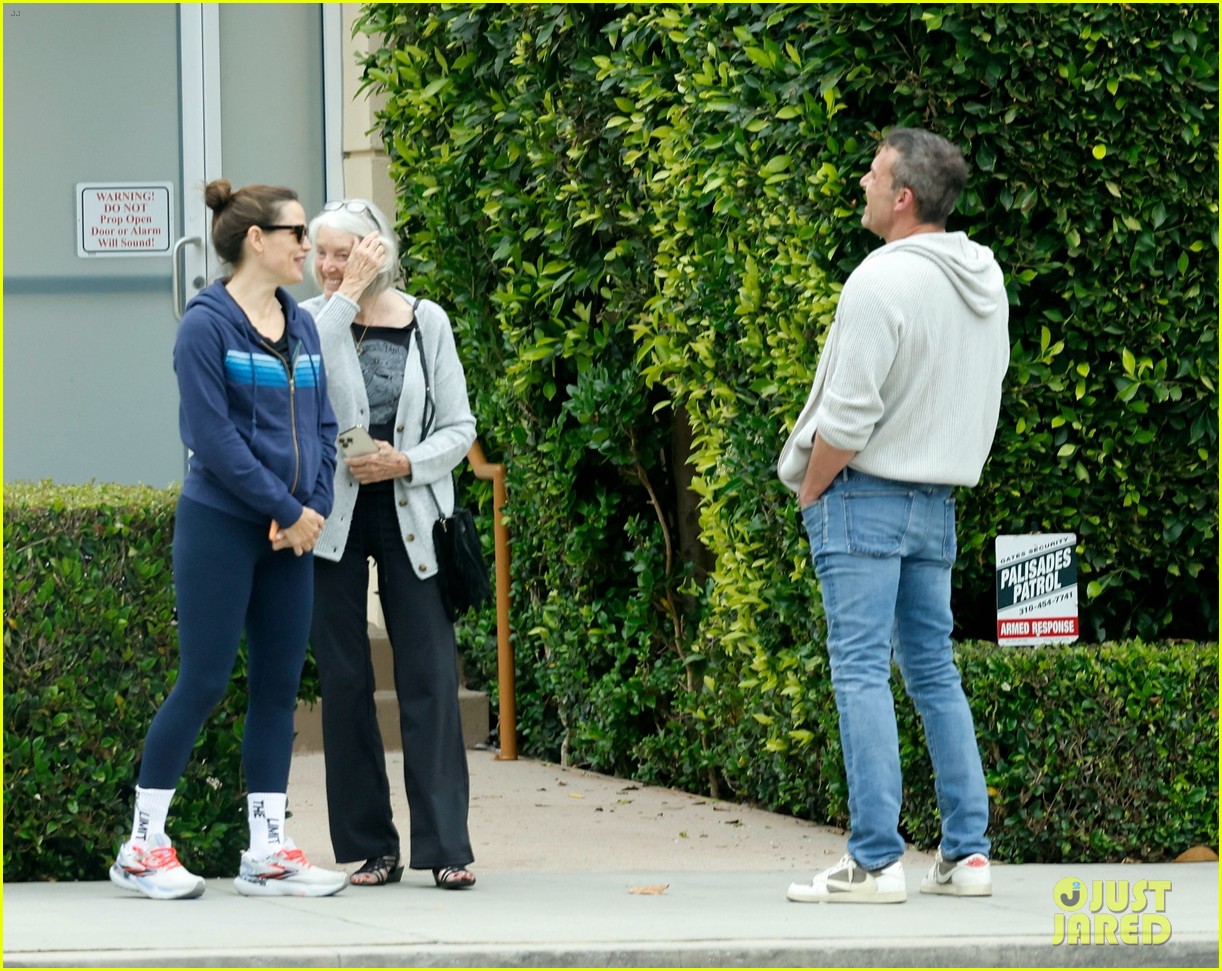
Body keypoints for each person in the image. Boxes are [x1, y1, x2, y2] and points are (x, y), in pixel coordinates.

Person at [777, 128, 1009, 904]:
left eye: (874, 173)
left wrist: (812, 487)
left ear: (903, 196)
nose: (864, 183)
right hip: (936, 499)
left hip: (864, 493)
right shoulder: (983, 278)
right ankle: (967, 855)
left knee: (860, 671)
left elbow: (847, 415)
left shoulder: (878, 282)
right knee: (934, 670)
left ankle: (876, 860)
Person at [110, 180, 347, 899]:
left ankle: (267, 853)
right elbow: (210, 438)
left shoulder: (301, 326)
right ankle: (142, 847)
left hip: (290, 533)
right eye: (298, 233)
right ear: (256, 239)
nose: (308, 246)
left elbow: (325, 426)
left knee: (278, 689)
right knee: (204, 681)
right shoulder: (205, 327)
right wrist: (283, 505)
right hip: (220, 523)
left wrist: (311, 508)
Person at [302, 198, 478, 889]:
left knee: (429, 677)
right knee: (345, 680)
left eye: (343, 253)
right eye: (320, 253)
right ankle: (371, 846)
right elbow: (301, 372)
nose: (327, 265)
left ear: (377, 252)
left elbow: (459, 427)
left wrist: (405, 461)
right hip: (332, 514)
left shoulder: (426, 321)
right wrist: (344, 296)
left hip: (412, 507)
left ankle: (447, 847)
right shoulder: (310, 320)